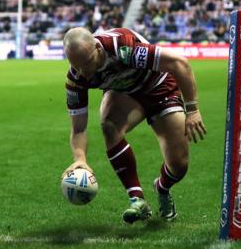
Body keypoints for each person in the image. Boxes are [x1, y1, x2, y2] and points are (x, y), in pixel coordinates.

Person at [61, 27, 206, 223]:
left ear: (97, 48)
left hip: (158, 87)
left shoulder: (122, 48)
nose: (83, 72)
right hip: (126, 93)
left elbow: (179, 63)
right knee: (109, 125)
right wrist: (80, 159)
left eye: (87, 63)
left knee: (179, 166)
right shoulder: (76, 78)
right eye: (76, 66)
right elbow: (78, 128)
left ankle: (162, 188)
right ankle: (137, 200)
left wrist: (193, 110)